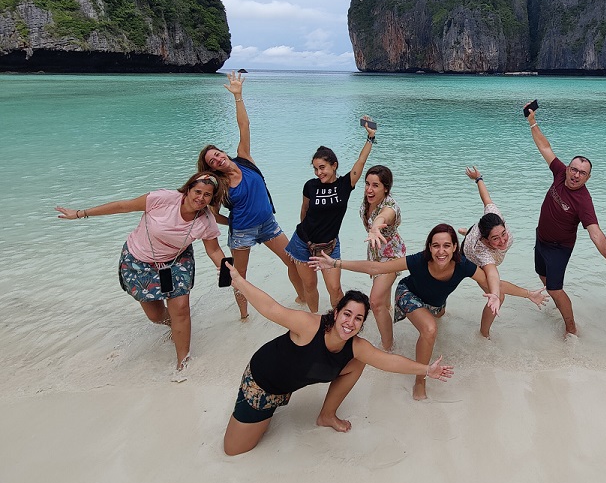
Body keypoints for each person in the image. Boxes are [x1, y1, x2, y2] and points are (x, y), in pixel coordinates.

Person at [223, 270, 454, 456]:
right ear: (336, 313)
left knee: (358, 362)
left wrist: (426, 369)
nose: (350, 322)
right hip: (262, 383)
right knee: (234, 450)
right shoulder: (309, 325)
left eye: (358, 318)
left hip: (287, 385)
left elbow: (388, 361)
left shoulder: (356, 346)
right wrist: (238, 280)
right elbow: (271, 308)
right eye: (347, 314)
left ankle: (327, 415)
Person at [56, 172, 229, 378]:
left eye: (207, 195)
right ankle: (174, 326)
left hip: (176, 261)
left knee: (181, 309)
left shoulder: (206, 221)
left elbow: (214, 251)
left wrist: (228, 272)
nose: (200, 198)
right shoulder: (162, 199)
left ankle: (183, 364)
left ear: (212, 198)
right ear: (188, 189)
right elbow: (123, 206)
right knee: (156, 316)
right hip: (139, 260)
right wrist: (80, 213)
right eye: (197, 191)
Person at [310, 223, 503, 401]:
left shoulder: (463, 266)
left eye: (446, 246)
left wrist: (521, 294)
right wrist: (336, 263)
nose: (441, 251)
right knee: (429, 329)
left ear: (454, 247)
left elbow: (493, 281)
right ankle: (420, 381)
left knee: (439, 317)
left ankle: (432, 320)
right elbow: (377, 267)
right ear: (429, 247)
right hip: (408, 293)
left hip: (435, 303)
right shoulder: (418, 260)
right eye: (435, 246)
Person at [525, 105, 606, 338]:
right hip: (541, 239)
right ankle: (558, 303)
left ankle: (571, 328)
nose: (575, 175)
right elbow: (544, 146)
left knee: (555, 287)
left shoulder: (583, 200)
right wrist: (532, 121)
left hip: (559, 248)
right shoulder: (559, 172)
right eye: (573, 169)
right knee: (541, 274)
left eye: (581, 173)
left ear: (588, 177)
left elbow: (595, 233)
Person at [198, 70, 299, 320]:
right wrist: (230, 222)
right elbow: (212, 215)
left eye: (218, 153)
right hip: (242, 232)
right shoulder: (218, 185)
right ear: (211, 167)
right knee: (239, 278)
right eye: (213, 160)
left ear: (224, 152)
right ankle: (243, 316)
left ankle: (303, 299)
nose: (219, 159)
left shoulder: (243, 158)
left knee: (293, 261)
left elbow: (244, 125)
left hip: (268, 224)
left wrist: (238, 96)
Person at [285, 116, 378, 312]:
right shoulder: (310, 186)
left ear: (334, 165)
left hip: (329, 246)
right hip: (303, 243)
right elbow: (304, 210)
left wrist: (370, 138)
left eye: (322, 168)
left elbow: (361, 161)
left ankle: (342, 322)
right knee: (310, 286)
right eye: (315, 169)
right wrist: (308, 234)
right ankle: (315, 322)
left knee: (335, 289)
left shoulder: (345, 185)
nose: (319, 173)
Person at [460, 165, 548, 339]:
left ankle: (468, 230)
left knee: (483, 230)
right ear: (486, 241)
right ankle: (483, 334)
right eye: (496, 239)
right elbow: (494, 276)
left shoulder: (495, 216)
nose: (503, 241)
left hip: (480, 234)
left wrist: (478, 178)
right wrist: (525, 294)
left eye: (503, 234)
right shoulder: (482, 251)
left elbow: (486, 199)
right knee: (499, 296)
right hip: (469, 257)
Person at [359, 164, 406, 352]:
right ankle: (389, 323)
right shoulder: (367, 201)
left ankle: (387, 347)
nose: (369, 189)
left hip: (391, 256)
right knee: (383, 301)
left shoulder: (390, 206)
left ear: (386, 188)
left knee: (375, 302)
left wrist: (375, 227)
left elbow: (383, 217)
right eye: (367, 184)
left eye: (376, 185)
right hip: (376, 254)